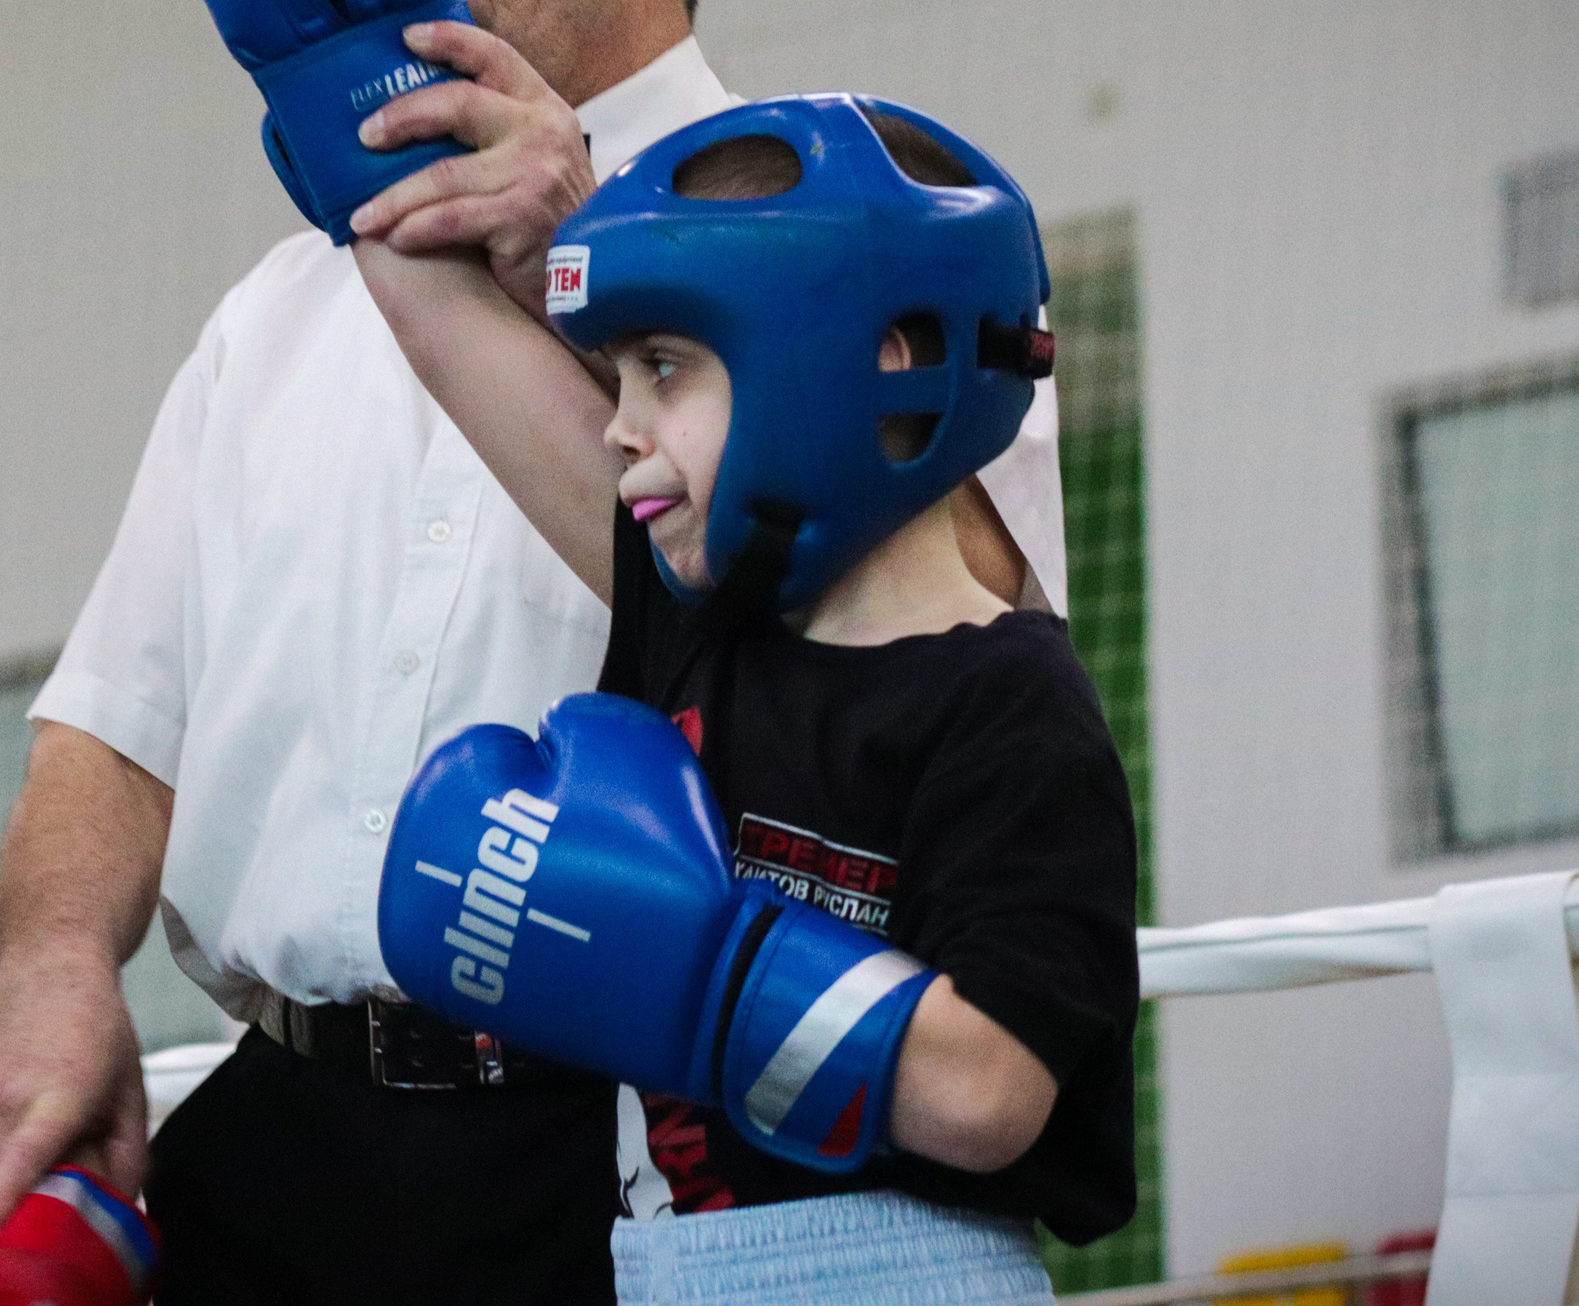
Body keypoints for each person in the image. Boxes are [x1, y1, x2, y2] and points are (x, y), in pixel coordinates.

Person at [0, 0, 1064, 1305]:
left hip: (643, 1147)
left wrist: (589, 239)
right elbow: (114, 722)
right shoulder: (273, 310)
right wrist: (46, 972)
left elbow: (967, 624)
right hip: (274, 1135)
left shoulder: (864, 242)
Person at [365, 95, 1137, 1302]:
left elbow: (991, 1094)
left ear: (870, 362)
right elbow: (437, 312)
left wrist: (693, 969)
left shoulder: (1007, 701)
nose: (618, 425)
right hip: (664, 1264)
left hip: (902, 1273)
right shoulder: (704, 632)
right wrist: (328, 44)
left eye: (663, 367)